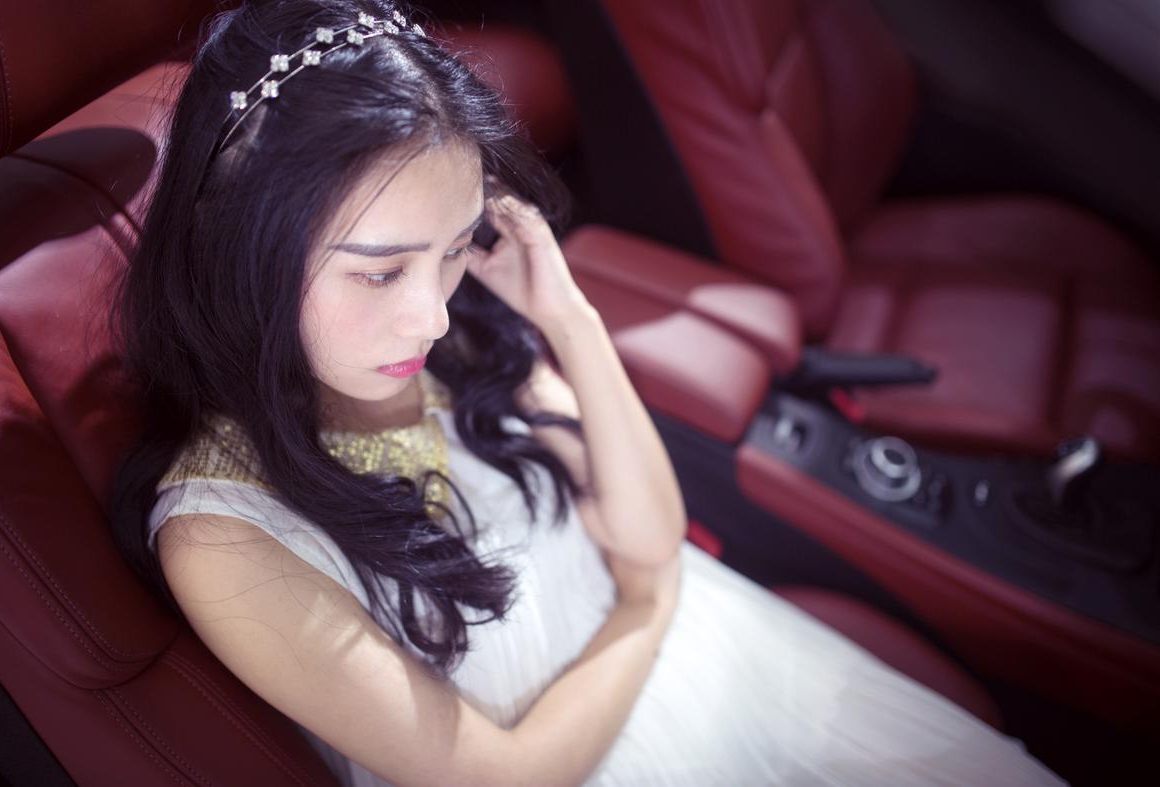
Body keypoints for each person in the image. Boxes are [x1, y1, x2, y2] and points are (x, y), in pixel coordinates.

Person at [107, 1, 1069, 784]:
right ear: (243, 252)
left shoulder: (461, 346)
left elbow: (650, 536)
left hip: (708, 653)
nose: (431, 314)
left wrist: (569, 319)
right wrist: (645, 612)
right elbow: (506, 773)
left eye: (454, 250)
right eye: (379, 271)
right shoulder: (225, 538)